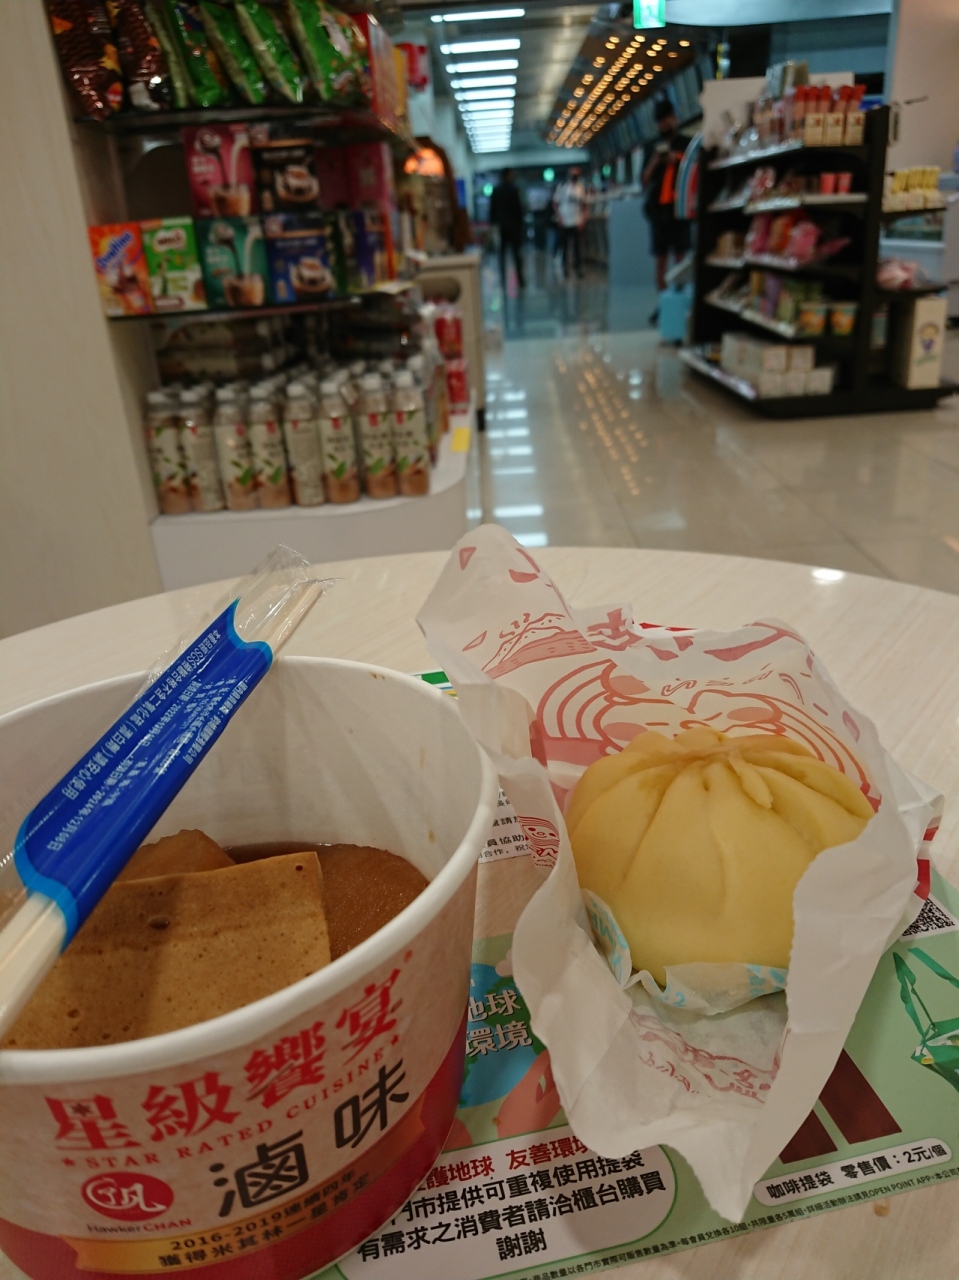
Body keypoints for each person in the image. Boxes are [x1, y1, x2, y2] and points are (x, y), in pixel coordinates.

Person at [642, 98, 690, 321]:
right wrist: (655, 161)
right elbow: (643, 181)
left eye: (667, 120)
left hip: (679, 211)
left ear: (674, 118)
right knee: (660, 261)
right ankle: (663, 305)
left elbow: (694, 173)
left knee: (680, 260)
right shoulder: (651, 147)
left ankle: (680, 304)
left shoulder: (686, 144)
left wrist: (676, 161)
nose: (664, 125)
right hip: (658, 214)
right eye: (660, 122)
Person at [489, 168, 525, 289]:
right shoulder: (514, 190)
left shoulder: (496, 190)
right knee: (516, 254)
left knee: (502, 255)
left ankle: (503, 279)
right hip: (514, 227)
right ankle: (520, 279)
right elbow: (519, 209)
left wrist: (493, 225)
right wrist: (520, 225)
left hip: (501, 227)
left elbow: (492, 210)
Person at [553, 166, 588, 278]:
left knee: (577, 246)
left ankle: (578, 268)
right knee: (565, 245)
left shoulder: (581, 189)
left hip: (577, 220)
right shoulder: (562, 187)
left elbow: (584, 205)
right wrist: (559, 217)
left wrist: (583, 220)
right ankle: (565, 267)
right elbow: (555, 203)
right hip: (565, 220)